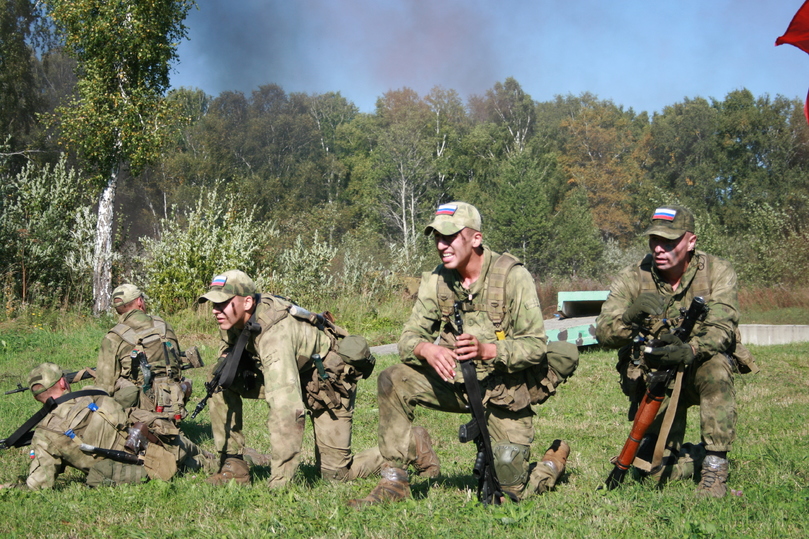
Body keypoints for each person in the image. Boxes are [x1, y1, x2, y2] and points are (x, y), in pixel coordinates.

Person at [349, 202, 578, 507]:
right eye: (437, 238)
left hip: (502, 392)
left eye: (451, 237)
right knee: (393, 379)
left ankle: (552, 463)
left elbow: (535, 346)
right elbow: (407, 339)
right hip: (454, 386)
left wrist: (488, 350)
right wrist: (426, 348)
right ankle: (394, 481)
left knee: (509, 492)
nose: (442, 245)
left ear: (476, 239)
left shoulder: (512, 276)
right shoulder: (437, 280)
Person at [197, 270, 439, 488]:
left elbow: (287, 409)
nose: (216, 311)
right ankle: (234, 466)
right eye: (214, 305)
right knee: (219, 378)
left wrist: (280, 482)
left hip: (324, 383)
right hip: (288, 373)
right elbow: (229, 359)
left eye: (223, 304)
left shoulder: (275, 335)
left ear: (247, 302)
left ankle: (412, 443)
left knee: (335, 475)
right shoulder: (231, 320)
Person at [596, 204, 756, 498]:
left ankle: (715, 464)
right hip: (656, 379)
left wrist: (692, 349)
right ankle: (695, 457)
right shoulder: (633, 277)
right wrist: (630, 317)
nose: (659, 248)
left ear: (691, 241)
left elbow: (723, 326)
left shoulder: (718, 272)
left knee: (716, 367)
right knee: (651, 474)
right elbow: (603, 333)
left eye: (669, 242)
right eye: (654, 240)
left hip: (699, 368)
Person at [7, 363, 215, 490]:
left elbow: (39, 485)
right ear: (63, 383)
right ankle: (233, 460)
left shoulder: (43, 436)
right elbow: (130, 392)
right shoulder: (92, 391)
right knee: (211, 459)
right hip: (159, 441)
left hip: (135, 470)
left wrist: (8, 487)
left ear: (37, 399)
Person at [95, 284, 190, 420]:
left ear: (117, 309)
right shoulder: (164, 325)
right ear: (140, 301)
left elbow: (104, 385)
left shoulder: (114, 337)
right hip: (173, 402)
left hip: (138, 414)